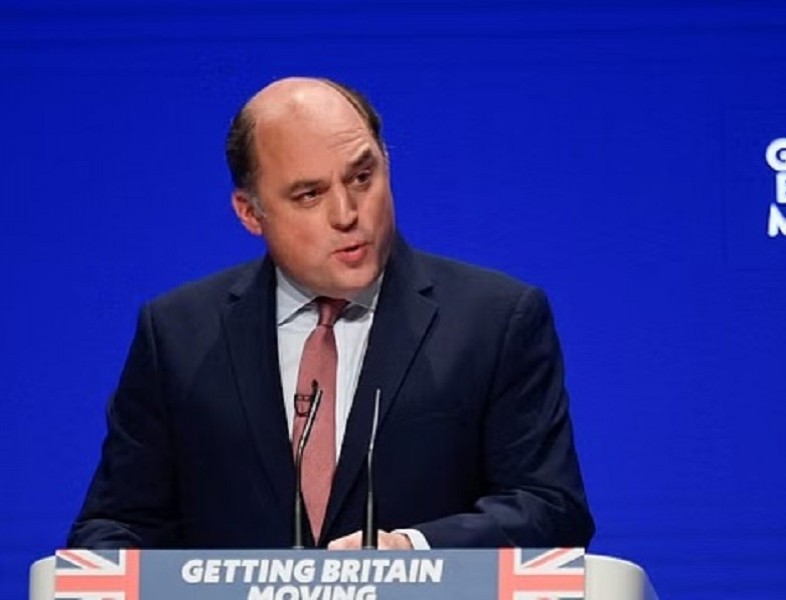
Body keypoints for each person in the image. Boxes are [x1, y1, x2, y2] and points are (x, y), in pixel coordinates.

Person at [68, 77, 594, 550]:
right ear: (251, 213)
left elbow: (550, 508)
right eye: (309, 194)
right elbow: (116, 526)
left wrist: (413, 551)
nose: (347, 214)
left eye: (362, 177)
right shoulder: (178, 334)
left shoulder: (495, 319)